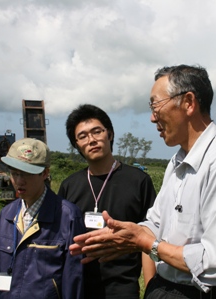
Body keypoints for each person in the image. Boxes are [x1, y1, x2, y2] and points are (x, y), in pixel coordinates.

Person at [70, 65, 216, 299]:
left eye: (155, 105)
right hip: (163, 286)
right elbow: (156, 223)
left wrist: (148, 244)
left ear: (188, 102)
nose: (152, 117)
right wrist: (125, 234)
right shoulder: (176, 163)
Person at [58, 104, 157, 299]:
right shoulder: (69, 185)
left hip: (122, 288)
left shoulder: (138, 181)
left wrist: (151, 288)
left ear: (109, 134)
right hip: (77, 286)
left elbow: (149, 237)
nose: (92, 140)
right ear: (76, 144)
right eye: (83, 136)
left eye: (97, 131)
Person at [0, 138, 86, 299]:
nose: (19, 181)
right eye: (14, 173)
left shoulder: (68, 217)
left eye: (26, 174)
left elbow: (73, 280)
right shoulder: (6, 215)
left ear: (45, 173)